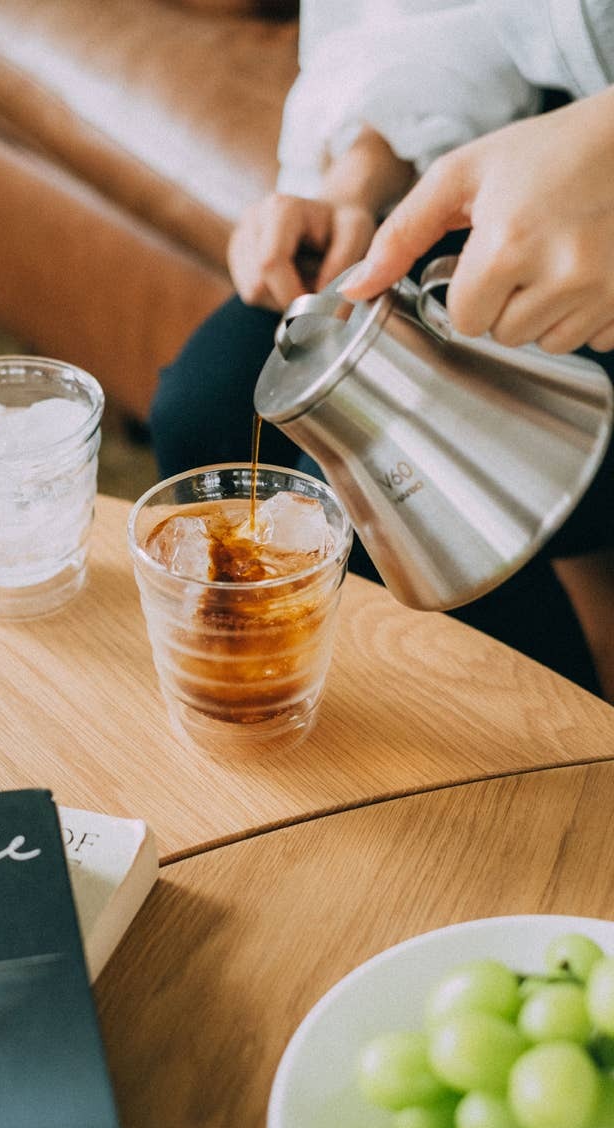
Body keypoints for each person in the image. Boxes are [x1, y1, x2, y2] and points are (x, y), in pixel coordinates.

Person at [150, 2, 614, 700]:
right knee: (203, 410)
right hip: (527, 145)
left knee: (377, 507)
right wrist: (359, 178)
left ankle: (551, 756)